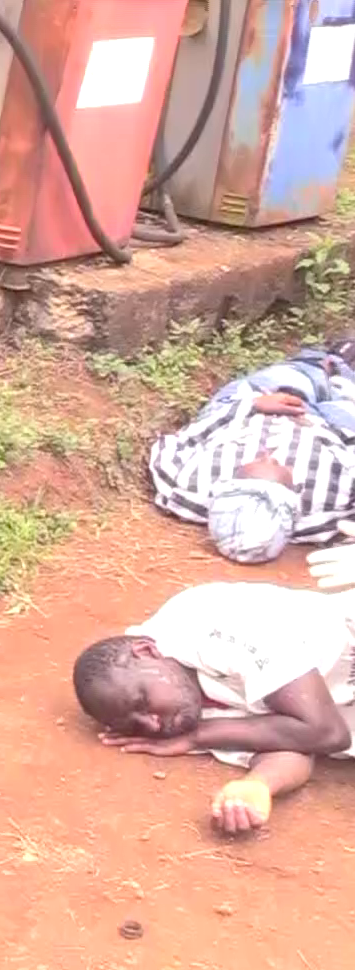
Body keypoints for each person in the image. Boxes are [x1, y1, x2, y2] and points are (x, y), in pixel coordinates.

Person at [71, 581, 355, 835]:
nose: (153, 725)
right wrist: (257, 785)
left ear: (147, 652)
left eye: (142, 703)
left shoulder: (208, 625)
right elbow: (291, 744)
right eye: (136, 725)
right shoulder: (183, 708)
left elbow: (326, 732)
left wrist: (200, 736)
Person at [149, 343, 355, 564]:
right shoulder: (324, 512)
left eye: (255, 463)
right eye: (278, 466)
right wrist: (332, 434)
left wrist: (251, 405)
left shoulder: (187, 487)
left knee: (299, 374)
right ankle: (343, 373)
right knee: (344, 395)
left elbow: (171, 444)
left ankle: (324, 359)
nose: (269, 455)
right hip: (333, 425)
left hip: (259, 401)